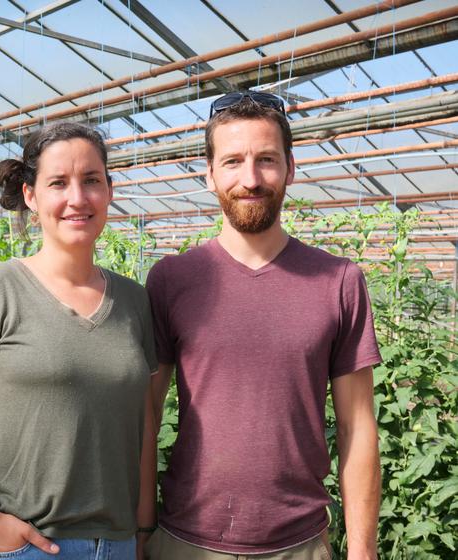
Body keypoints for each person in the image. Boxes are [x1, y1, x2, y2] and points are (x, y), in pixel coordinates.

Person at [144, 91, 382, 560]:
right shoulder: (171, 279)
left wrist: (363, 549)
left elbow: (358, 425)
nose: (250, 179)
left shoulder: (338, 281)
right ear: (209, 173)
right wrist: (139, 530)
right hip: (184, 543)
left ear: (290, 168)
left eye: (267, 160)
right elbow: (146, 416)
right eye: (232, 161)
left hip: (299, 545)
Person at [0, 122, 158, 560]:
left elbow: (142, 425)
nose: (77, 198)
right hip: (21, 546)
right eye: (58, 183)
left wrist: (141, 530)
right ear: (31, 195)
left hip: (116, 546)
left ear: (109, 190)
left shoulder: (134, 301)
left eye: (92, 181)